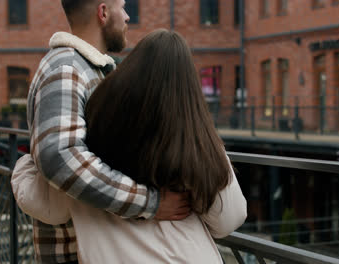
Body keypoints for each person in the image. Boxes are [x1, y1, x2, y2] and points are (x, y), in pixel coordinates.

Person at [22, 0, 190, 263]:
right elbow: (59, 157)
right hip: (74, 251)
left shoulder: (88, 68)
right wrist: (150, 203)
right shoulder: (67, 68)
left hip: (93, 245)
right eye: (122, 7)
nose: (127, 17)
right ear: (103, 12)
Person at [67, 29, 247, 263]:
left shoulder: (96, 125)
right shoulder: (193, 142)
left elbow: (43, 203)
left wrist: (29, 162)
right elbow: (229, 219)